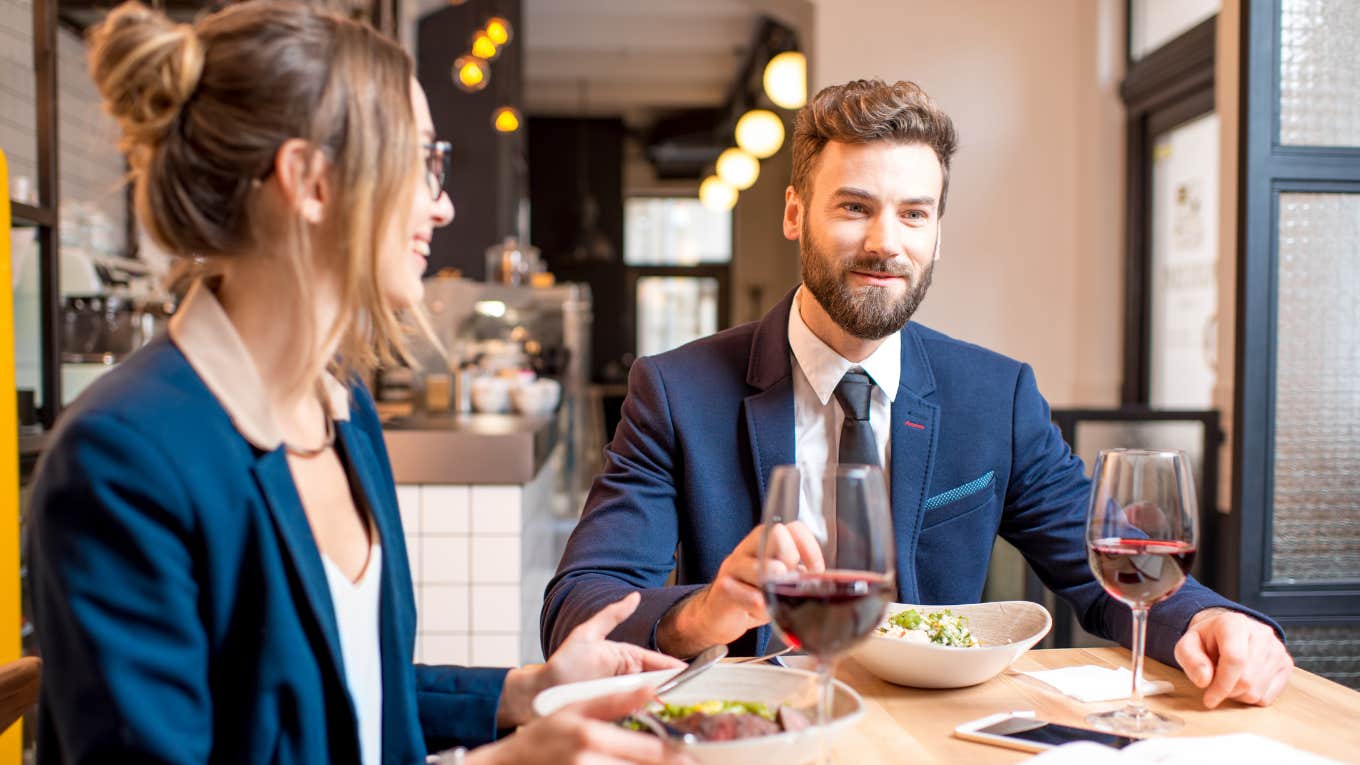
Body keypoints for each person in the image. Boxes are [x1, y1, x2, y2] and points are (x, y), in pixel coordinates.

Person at [26, 3, 695, 763]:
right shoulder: (122, 462)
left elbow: (340, 692)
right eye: (421, 162)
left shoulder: (342, 413)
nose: (441, 203)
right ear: (310, 181)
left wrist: (527, 689)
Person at [542, 79, 1294, 710]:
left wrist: (1215, 619)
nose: (885, 243)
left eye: (913, 213)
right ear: (796, 212)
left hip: (933, 739)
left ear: (938, 231)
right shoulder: (676, 391)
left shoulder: (994, 395)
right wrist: (703, 612)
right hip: (757, 733)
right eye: (853, 207)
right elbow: (578, 608)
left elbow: (1100, 566)